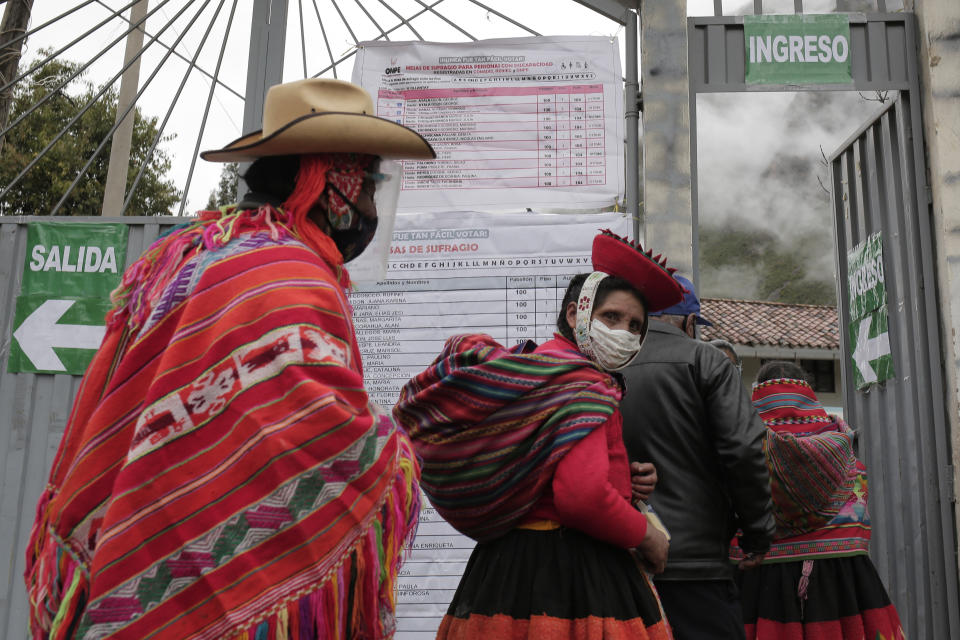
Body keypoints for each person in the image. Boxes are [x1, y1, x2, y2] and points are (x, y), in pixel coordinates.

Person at [24, 78, 434, 639]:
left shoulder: (185, 252)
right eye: (367, 185)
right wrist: (404, 447)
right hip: (226, 594)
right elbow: (321, 443)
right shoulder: (289, 276)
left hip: (131, 542)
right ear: (329, 183)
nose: (369, 206)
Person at [393, 231, 684, 639]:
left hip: (503, 570)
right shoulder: (583, 385)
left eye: (635, 325)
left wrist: (622, 477)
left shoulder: (532, 368)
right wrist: (647, 535)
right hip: (570, 573)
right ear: (573, 315)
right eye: (611, 318)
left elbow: (546, 465)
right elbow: (580, 498)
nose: (624, 333)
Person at [619, 274, 775, 640]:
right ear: (689, 322)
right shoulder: (705, 360)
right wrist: (757, 534)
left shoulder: (604, 365)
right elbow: (744, 449)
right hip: (695, 566)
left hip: (619, 562)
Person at [733, 361, 904, 639]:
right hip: (844, 585)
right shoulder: (846, 458)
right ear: (808, 394)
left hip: (763, 588)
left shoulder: (740, 457)